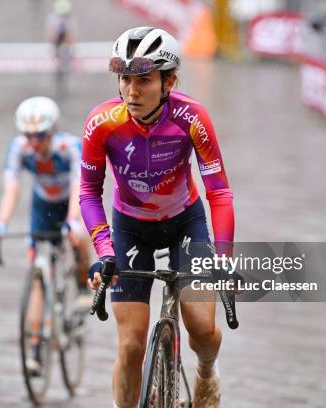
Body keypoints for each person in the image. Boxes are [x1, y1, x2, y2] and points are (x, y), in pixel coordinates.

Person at [80, 27, 235, 408]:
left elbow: (218, 191)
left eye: (144, 80)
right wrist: (103, 250)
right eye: (125, 79)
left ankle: (206, 371)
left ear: (169, 82)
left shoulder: (191, 117)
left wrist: (225, 259)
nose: (132, 91)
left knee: (201, 329)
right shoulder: (103, 123)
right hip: (130, 227)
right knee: (131, 346)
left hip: (185, 221)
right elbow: (88, 192)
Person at [0, 96, 91, 372]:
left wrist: (72, 220)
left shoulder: (69, 147)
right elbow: (13, 188)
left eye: (40, 136)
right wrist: (1, 224)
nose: (33, 142)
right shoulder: (19, 148)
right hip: (42, 205)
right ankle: (35, 345)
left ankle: (83, 284)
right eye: (28, 135)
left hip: (72, 200)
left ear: (52, 131)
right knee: (37, 274)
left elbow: (80, 184)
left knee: (78, 235)